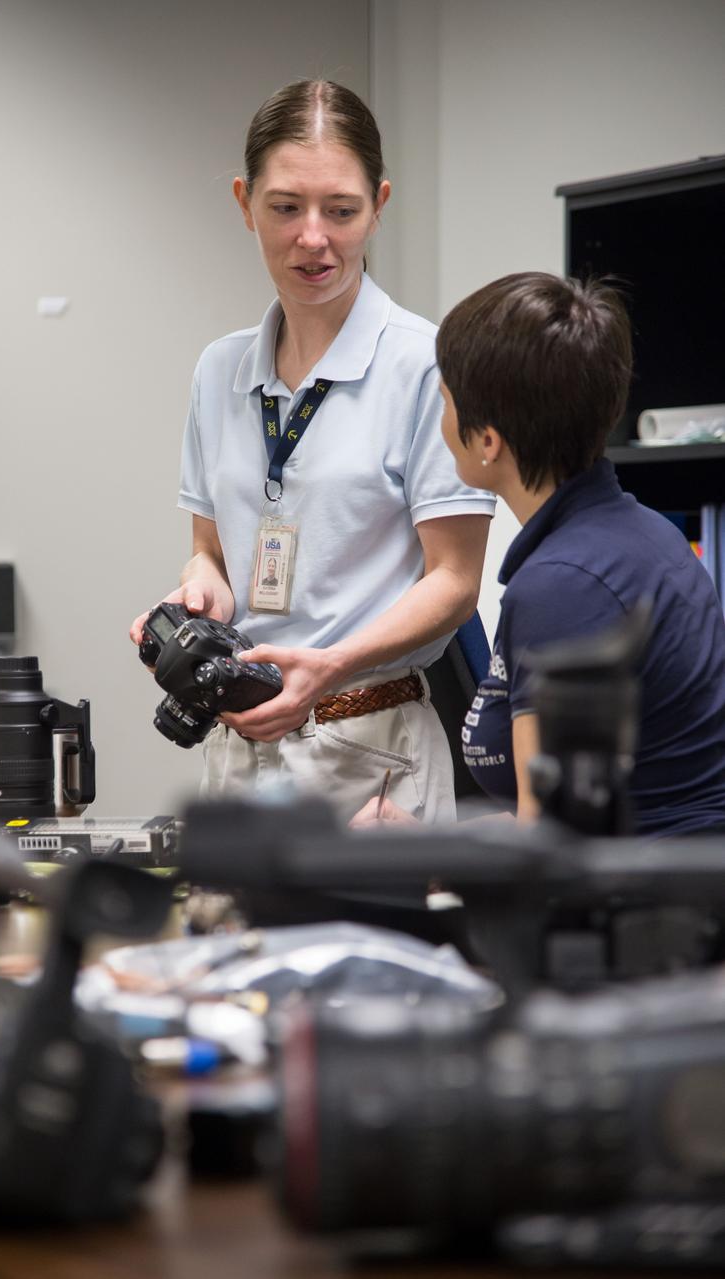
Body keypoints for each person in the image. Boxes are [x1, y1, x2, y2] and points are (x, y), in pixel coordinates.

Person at [130, 79, 494, 822]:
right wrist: (196, 597)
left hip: (373, 748)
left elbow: (455, 581)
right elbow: (210, 553)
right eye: (286, 207)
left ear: (379, 205)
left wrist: (328, 665)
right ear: (244, 203)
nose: (313, 237)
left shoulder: (428, 365)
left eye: (342, 210)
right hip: (241, 745)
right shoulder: (219, 370)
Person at [354, 272, 725, 836]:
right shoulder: (643, 535)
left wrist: (424, 863)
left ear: (488, 441)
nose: (440, 419)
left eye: (445, 402)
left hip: (641, 885)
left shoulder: (562, 586)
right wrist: (430, 841)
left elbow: (549, 849)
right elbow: (550, 815)